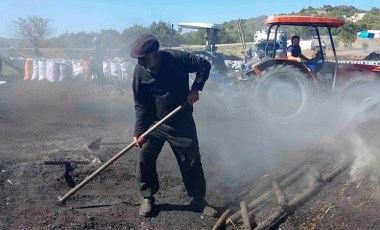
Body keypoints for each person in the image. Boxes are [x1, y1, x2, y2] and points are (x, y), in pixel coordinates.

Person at [130, 33, 217, 218]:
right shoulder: (140, 72)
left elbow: (204, 65)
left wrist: (195, 88)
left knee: (191, 158)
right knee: (145, 155)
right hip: (155, 122)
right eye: (138, 59)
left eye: (143, 58)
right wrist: (139, 131)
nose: (140, 62)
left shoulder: (176, 58)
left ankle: (198, 200)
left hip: (181, 120)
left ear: (155, 53)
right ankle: (147, 197)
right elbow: (140, 104)